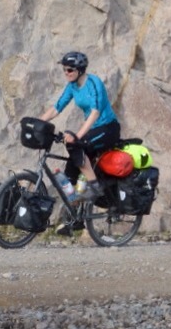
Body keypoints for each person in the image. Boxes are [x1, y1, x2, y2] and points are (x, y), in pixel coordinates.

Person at [39, 51, 120, 234]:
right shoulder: (72, 86)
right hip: (92, 130)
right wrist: (39, 123)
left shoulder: (94, 83)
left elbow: (95, 112)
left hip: (107, 128)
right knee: (70, 172)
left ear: (80, 69)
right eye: (64, 70)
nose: (66, 73)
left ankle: (94, 185)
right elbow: (57, 107)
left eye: (69, 70)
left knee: (77, 144)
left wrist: (78, 136)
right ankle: (74, 219)